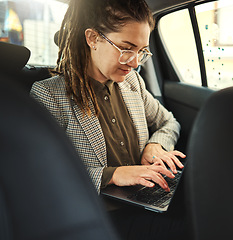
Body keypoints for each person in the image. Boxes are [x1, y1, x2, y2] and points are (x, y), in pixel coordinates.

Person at [30, 0, 190, 239]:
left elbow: (169, 122)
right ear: (93, 38)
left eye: (142, 51)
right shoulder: (49, 95)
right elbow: (40, 175)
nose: (136, 63)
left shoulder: (133, 84)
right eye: (127, 48)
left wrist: (155, 145)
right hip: (99, 215)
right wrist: (113, 175)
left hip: (147, 198)